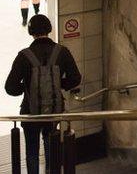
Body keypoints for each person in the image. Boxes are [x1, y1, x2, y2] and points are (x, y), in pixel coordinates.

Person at [5, 15, 82, 174]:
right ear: (49, 29)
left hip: (31, 112)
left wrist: (26, 88)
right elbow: (75, 78)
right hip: (54, 111)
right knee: (51, 147)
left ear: (31, 32)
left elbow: (10, 87)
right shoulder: (62, 52)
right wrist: (59, 85)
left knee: (32, 152)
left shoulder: (24, 56)